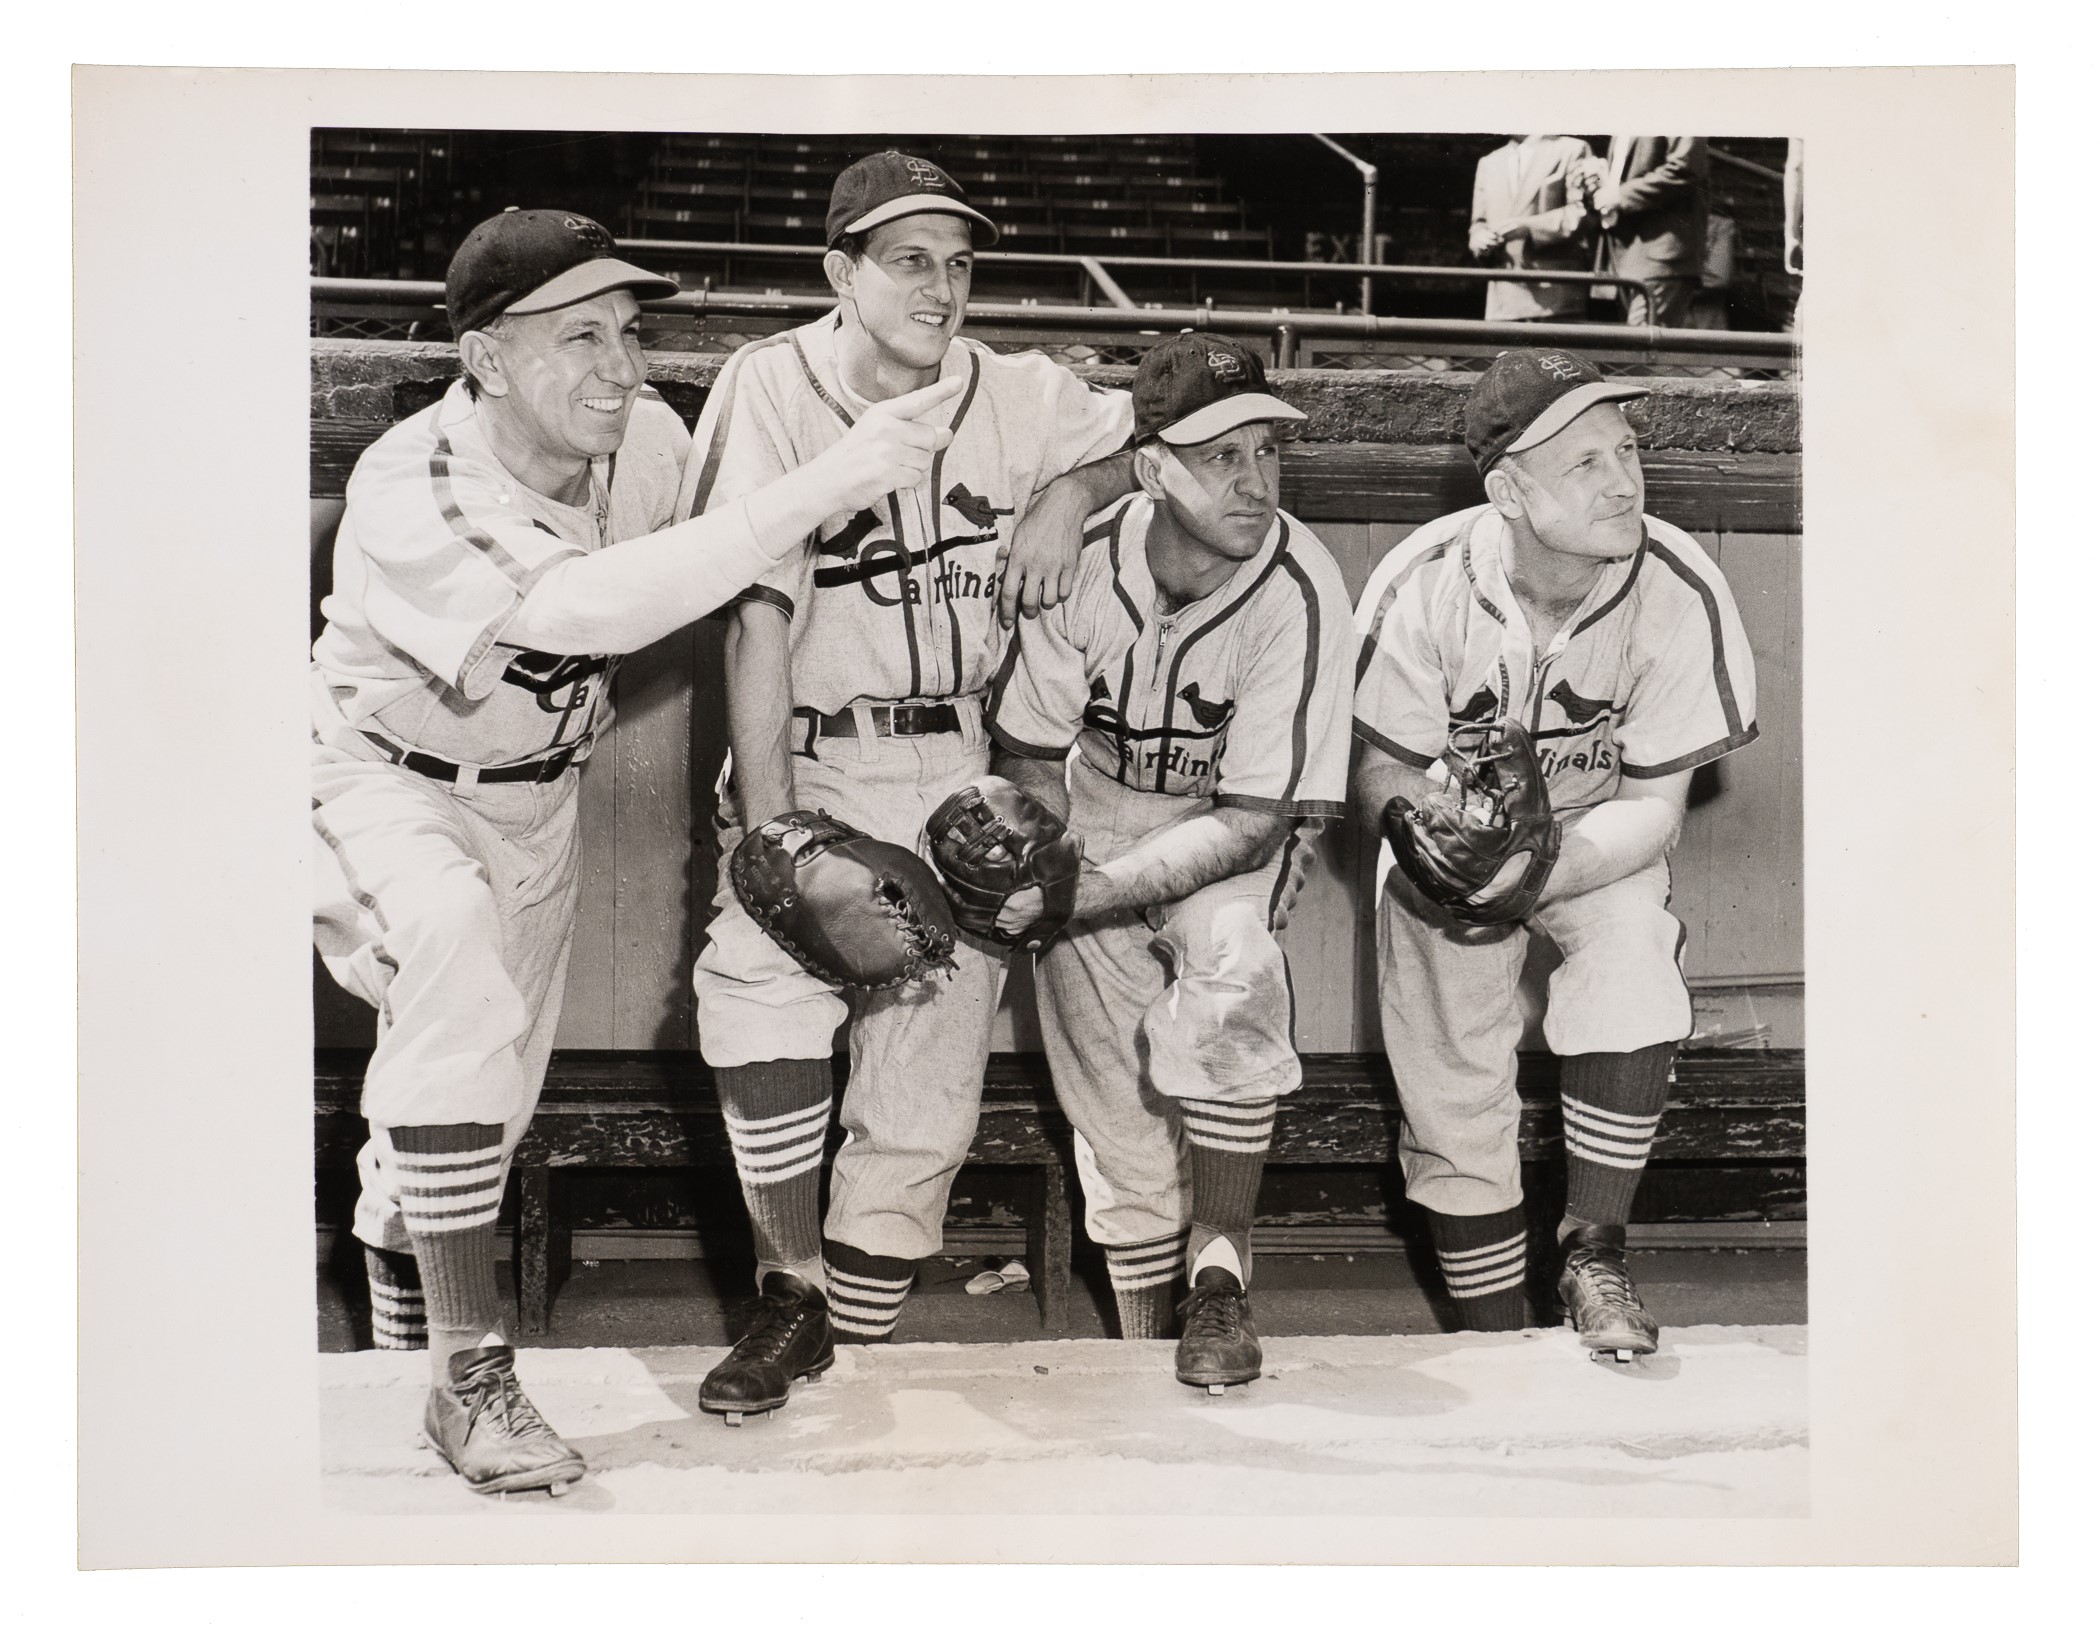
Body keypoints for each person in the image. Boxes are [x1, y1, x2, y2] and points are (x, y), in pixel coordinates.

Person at [311, 207, 964, 1494]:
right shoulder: (417, 482)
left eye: (628, 331)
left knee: (470, 1113)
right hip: (378, 778)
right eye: (575, 339)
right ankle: (470, 1376)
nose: (619, 365)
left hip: (537, 801)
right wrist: (838, 470)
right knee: (447, 955)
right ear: (486, 361)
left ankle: (416, 1369)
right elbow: (589, 605)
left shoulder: (645, 436)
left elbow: (732, 575)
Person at [677, 151, 1139, 1419]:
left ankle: (849, 1352)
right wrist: (772, 830)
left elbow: (1148, 439)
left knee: (924, 1097)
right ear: (842, 273)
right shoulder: (771, 386)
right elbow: (752, 614)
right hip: (815, 749)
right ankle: (787, 1298)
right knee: (757, 993)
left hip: (955, 770)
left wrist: (1069, 494)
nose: (942, 286)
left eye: (959, 260)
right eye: (909, 259)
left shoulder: (1022, 388)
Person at [1349, 347, 1758, 1358]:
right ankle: (1496, 1343)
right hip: (1449, 829)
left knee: (1630, 947)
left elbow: (1655, 806)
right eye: (1584, 463)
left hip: (1596, 825)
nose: (1624, 480)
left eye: (1627, 450)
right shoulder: (1423, 580)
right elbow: (1383, 769)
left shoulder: (1677, 584)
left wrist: (1544, 870)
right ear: (1508, 491)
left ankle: (1594, 1250)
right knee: (1449, 1079)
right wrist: (1423, 836)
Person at [986, 334, 1354, 1389]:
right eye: (1222, 456)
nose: (1255, 482)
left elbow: (1251, 818)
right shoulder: (1082, 560)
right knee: (1110, 1103)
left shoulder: (1300, 585)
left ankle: (1223, 1280)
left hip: (1228, 824)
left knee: (1236, 976)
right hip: (1095, 804)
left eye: (1268, 454)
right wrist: (1052, 866)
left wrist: (1098, 892)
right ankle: (1149, 1344)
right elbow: (1027, 750)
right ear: (1154, 469)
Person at [1573, 137, 1710, 328]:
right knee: (1634, 344)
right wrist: (1597, 178)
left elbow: (1685, 167)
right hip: (1624, 253)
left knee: (1642, 345)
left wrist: (1620, 195)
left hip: (1660, 253)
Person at [1468, 135, 1598, 323]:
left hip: (1554, 297)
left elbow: (1583, 213)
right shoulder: (1489, 162)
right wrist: (1479, 238)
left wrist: (1529, 227)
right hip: (1503, 301)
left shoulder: (1572, 149)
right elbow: (1478, 223)